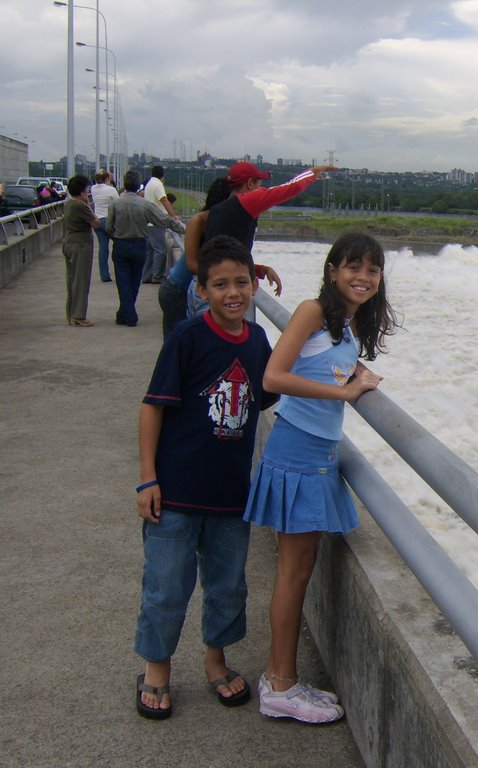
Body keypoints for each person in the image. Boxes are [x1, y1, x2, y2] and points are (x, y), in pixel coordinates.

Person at [244, 232, 398, 723]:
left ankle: (281, 679)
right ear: (333, 270)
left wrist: (356, 377)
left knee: (300, 571)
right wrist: (346, 394)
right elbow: (273, 378)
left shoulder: (346, 325)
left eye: (372, 270)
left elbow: (323, 366)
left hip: (316, 455)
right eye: (353, 266)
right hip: (297, 454)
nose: (363, 277)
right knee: (294, 574)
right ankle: (280, 686)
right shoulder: (313, 310)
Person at [133, 235, 280, 720]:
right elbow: (153, 409)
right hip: (175, 492)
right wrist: (147, 479)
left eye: (242, 282)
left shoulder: (258, 342)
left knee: (227, 586)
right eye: (220, 285)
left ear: (255, 285)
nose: (233, 293)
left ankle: (216, 660)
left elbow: (276, 388)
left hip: (230, 494)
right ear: (201, 290)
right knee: (166, 585)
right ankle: (157, 669)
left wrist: (341, 379)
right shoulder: (186, 338)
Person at [184, 162, 336, 320]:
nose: (261, 188)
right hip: (216, 292)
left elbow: (222, 259)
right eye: (259, 183)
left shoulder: (218, 211)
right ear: (250, 184)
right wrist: (313, 173)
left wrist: (260, 270)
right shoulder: (247, 202)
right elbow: (289, 188)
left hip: (203, 289)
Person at [160, 179, 282, 339]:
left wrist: (259, 270)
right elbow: (193, 265)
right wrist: (239, 277)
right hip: (177, 290)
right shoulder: (200, 221)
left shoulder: (225, 224)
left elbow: (226, 263)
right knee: (179, 344)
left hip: (196, 288)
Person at [106, 169, 185, 328]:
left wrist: (116, 238)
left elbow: (108, 228)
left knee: (123, 282)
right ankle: (129, 314)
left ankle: (125, 313)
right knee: (135, 281)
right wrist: (184, 228)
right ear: (137, 186)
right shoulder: (145, 205)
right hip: (139, 244)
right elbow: (164, 220)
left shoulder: (115, 204)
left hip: (120, 245)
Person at [62, 174, 101, 327]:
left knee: (71, 279)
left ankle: (71, 312)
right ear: (82, 190)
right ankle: (78, 315)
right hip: (80, 245)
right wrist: (89, 204)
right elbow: (96, 223)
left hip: (69, 242)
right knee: (81, 280)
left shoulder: (69, 203)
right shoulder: (80, 205)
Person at [142, 165, 179, 284]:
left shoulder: (149, 183)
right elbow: (164, 200)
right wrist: (173, 217)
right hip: (156, 222)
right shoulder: (157, 184)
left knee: (150, 251)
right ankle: (157, 276)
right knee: (160, 250)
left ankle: (146, 275)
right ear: (162, 175)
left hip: (148, 222)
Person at [90, 169, 120, 282]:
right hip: (108, 221)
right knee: (119, 244)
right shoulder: (111, 190)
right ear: (107, 179)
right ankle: (119, 271)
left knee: (103, 248)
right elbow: (118, 203)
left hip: (97, 220)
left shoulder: (93, 189)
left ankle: (104, 275)